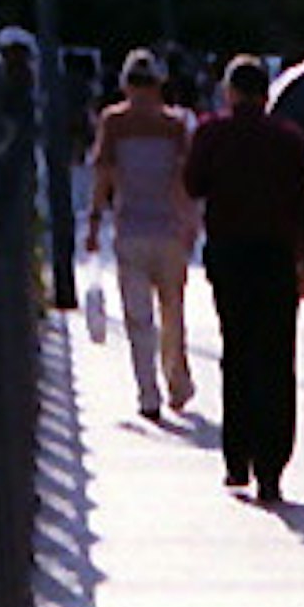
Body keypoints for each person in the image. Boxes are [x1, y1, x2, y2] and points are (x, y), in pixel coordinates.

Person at [184, 48, 304, 505]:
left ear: (230, 92)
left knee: (237, 351)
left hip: (228, 253)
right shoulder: (289, 139)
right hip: (276, 256)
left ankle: (236, 458)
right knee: (276, 358)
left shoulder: (212, 133)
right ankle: (272, 466)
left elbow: (193, 184)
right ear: (268, 94)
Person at [83, 48, 197, 426]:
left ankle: (148, 392)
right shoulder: (176, 124)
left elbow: (103, 175)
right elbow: (184, 181)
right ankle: (176, 382)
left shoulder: (113, 123)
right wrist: (190, 224)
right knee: (173, 311)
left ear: (125, 85)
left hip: (130, 228)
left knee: (138, 318)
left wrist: (95, 224)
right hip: (169, 230)